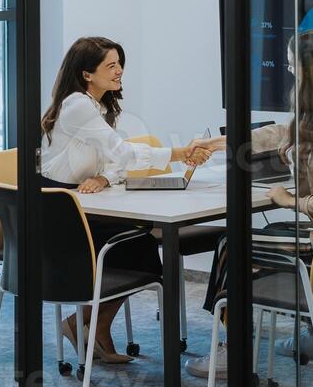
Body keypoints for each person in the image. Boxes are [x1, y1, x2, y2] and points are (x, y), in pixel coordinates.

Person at [187, 28, 313, 378]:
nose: (290, 72)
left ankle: (233, 352)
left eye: (293, 66)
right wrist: (224, 140)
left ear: (312, 71)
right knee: (263, 234)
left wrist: (290, 199)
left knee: (229, 246)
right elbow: (283, 133)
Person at [40, 35, 215, 364]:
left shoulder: (100, 105)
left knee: (140, 247)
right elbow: (120, 152)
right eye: (111, 65)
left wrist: (104, 177)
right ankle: (87, 326)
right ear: (86, 74)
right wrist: (180, 152)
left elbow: (114, 161)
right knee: (140, 249)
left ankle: (90, 326)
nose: (119, 71)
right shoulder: (77, 105)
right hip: (58, 214)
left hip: (80, 205)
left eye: (120, 64)